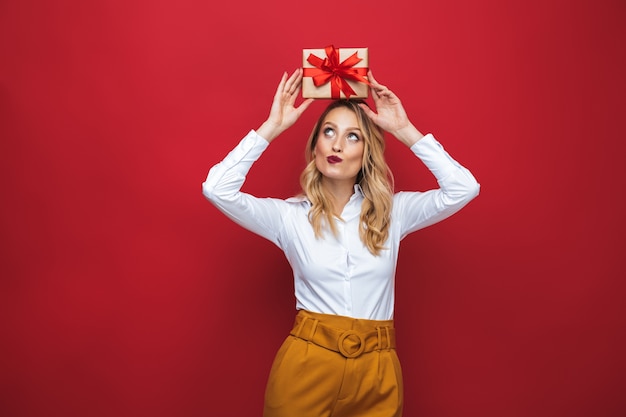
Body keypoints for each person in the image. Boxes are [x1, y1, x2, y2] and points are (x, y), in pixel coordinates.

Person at [202, 68, 480, 417]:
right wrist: (272, 127)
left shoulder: (394, 212)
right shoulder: (289, 218)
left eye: (353, 137)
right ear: (315, 144)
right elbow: (216, 189)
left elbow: (464, 188)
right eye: (329, 132)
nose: (336, 144)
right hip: (306, 368)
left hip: (378, 372)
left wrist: (403, 129)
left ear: (367, 151)